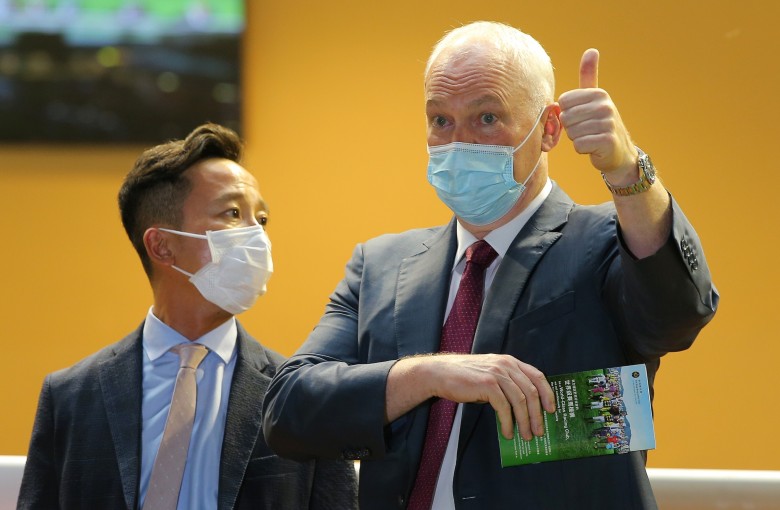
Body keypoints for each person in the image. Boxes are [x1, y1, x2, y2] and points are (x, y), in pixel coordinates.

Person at [262, 21, 718, 509]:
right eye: (440, 120)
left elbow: (678, 315)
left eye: (486, 117)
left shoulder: (608, 240)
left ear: (548, 129)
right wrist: (429, 375)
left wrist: (627, 170)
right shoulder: (381, 265)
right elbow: (289, 410)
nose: (458, 141)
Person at [17, 123, 358, 510]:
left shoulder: (305, 400)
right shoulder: (71, 397)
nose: (258, 237)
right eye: (232, 213)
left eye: (261, 219)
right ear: (161, 245)